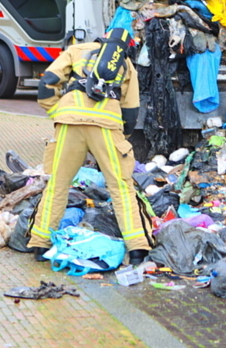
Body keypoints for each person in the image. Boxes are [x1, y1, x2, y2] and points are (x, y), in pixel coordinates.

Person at [28, 28, 151, 266]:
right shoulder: (126, 65)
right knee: (121, 188)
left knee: (58, 185)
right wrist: (120, 135)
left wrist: (56, 111)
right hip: (106, 125)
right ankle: (137, 249)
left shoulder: (75, 51)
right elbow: (131, 110)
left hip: (69, 123)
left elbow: (48, 83)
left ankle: (40, 244)